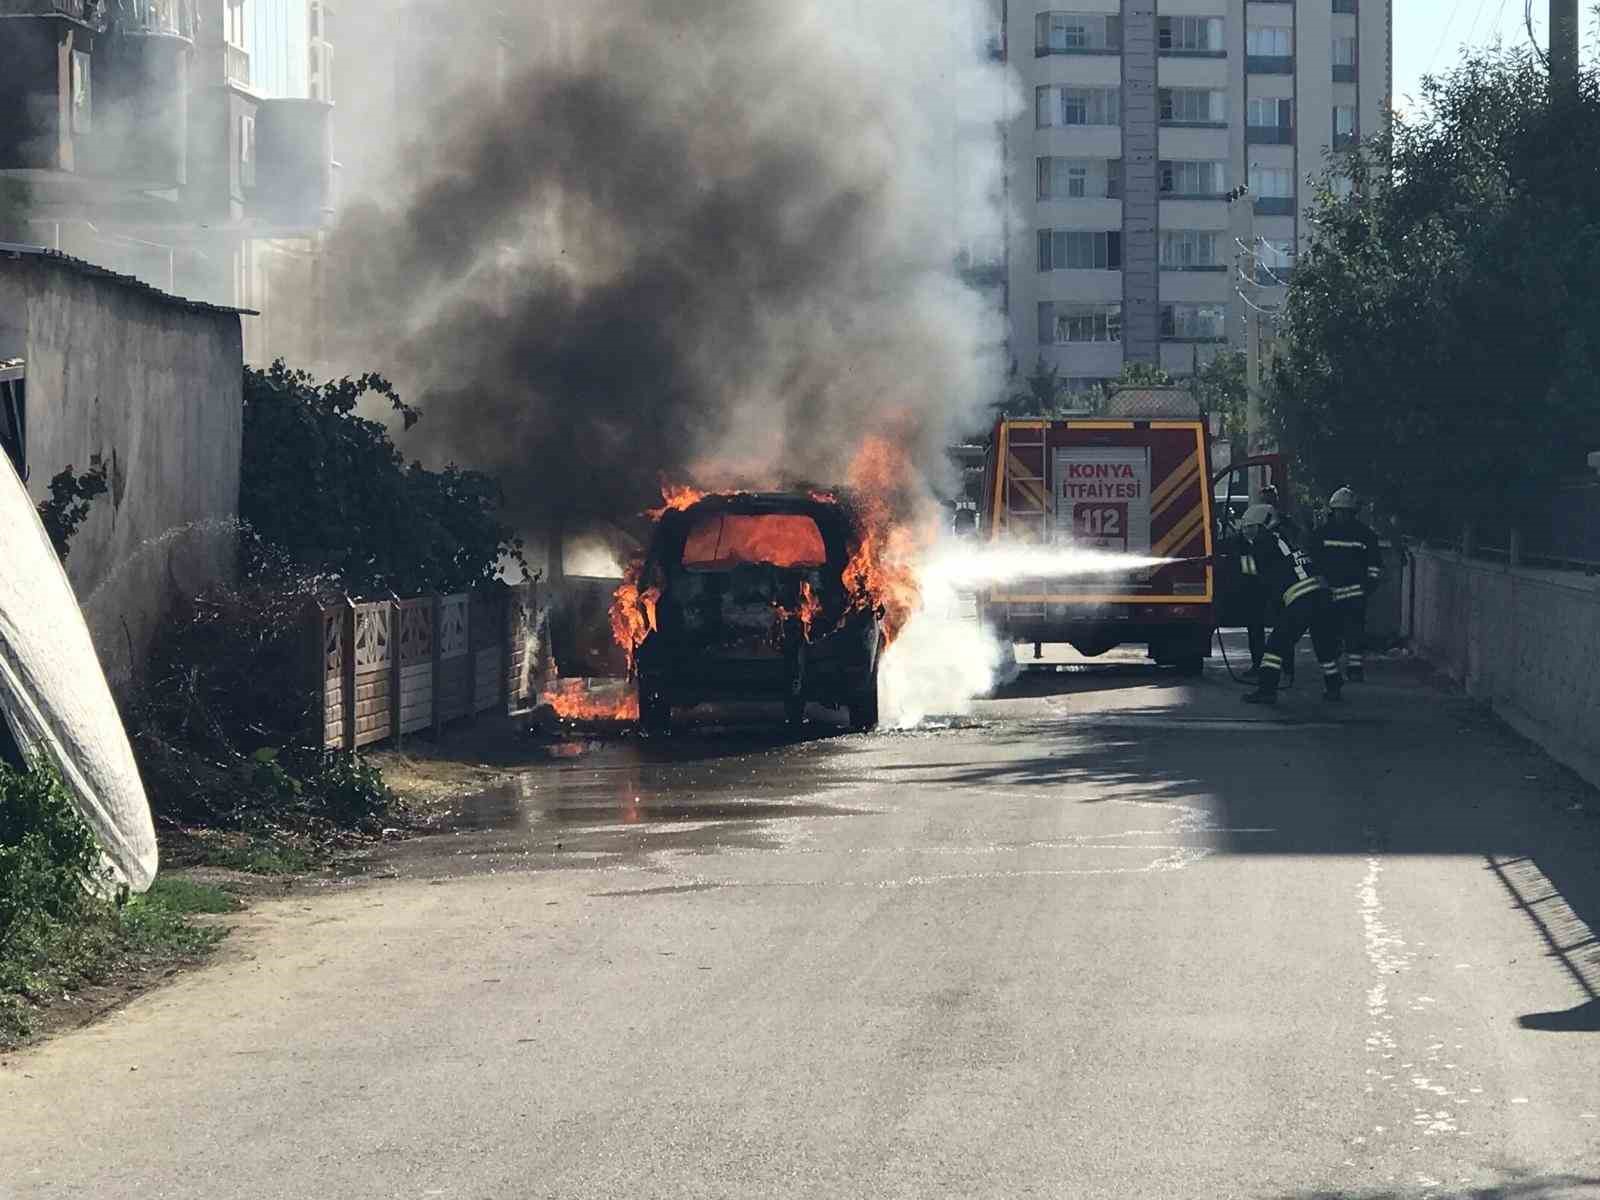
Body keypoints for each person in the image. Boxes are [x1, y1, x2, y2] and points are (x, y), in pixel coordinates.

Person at [1237, 503, 1343, 704]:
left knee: (1275, 646)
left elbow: (1252, 572)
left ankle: (1267, 690)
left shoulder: (1264, 542)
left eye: (1251, 527)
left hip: (1302, 600)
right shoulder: (1285, 537)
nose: (1248, 532)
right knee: (1323, 645)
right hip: (1321, 596)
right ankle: (1334, 686)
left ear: (1263, 525)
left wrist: (1233, 560)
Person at [1311, 486, 1383, 682]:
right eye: (1339, 512)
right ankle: (1344, 667)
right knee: (1338, 633)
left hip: (1348, 595)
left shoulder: (1361, 535)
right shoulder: (1363, 534)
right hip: (1337, 595)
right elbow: (1311, 563)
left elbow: (1374, 566)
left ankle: (1354, 668)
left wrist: (1366, 588)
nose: (1342, 515)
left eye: (1345, 512)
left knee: (1354, 634)